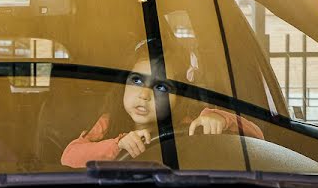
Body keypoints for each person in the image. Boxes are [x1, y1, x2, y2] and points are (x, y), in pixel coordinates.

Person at [60, 44, 264, 168]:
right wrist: (117, 145)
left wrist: (221, 119)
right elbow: (69, 156)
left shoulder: (191, 127)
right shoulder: (111, 122)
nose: (144, 95)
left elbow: (258, 140)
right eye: (137, 81)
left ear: (179, 99)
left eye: (161, 87)